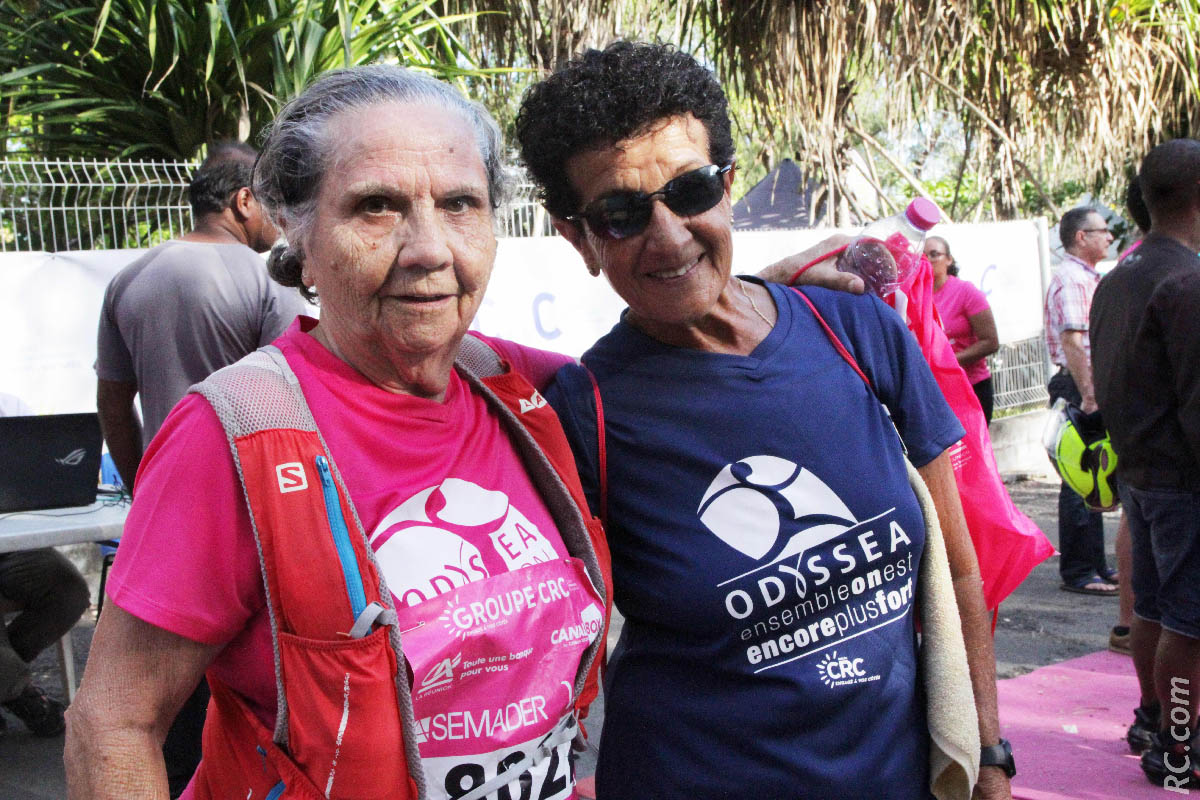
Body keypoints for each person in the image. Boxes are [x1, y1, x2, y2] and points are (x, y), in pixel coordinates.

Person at [65, 65, 612, 800]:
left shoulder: (525, 393)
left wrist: (781, 291)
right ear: (299, 232)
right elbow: (114, 725)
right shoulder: (235, 436)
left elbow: (684, 355)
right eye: (376, 207)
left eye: (460, 204)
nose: (428, 249)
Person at [516, 41, 1011, 800]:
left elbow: (960, 563)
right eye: (621, 214)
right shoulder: (588, 416)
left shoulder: (858, 333)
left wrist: (989, 756)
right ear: (579, 239)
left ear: (728, 186)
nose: (670, 235)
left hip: (894, 778)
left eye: (689, 190)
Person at [94, 141, 307, 795]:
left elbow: (112, 401)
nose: (278, 221)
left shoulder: (131, 277)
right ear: (243, 202)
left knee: (158, 705)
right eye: (270, 204)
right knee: (255, 699)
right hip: (255, 516)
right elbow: (295, 396)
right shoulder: (262, 280)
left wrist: (145, 483)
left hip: (167, 518)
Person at [1090, 138, 1200, 790]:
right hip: (1183, 481)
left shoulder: (1121, 278)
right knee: (1187, 623)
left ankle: (1158, 724)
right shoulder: (1186, 281)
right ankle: (1179, 749)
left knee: (1157, 611)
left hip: (1142, 474)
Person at [0, 392, 90, 737]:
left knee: (68, 590)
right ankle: (21, 692)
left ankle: (8, 681)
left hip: (14, 541)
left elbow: (43, 471)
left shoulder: (13, 409)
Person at [1043, 207, 1117, 596]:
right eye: (1102, 231)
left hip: (1085, 382)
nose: (1109, 237)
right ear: (1080, 237)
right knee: (1079, 478)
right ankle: (1078, 571)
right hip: (1077, 385)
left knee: (1097, 476)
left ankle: (1098, 565)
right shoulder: (1072, 279)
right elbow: (1074, 341)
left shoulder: (1086, 277)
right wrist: (1089, 394)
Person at [925, 236, 1000, 424]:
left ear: (949, 260)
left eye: (934, 255)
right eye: (922, 256)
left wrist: (947, 363)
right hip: (936, 391)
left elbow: (990, 342)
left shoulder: (966, 292)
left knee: (973, 453)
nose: (928, 260)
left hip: (972, 387)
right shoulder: (918, 297)